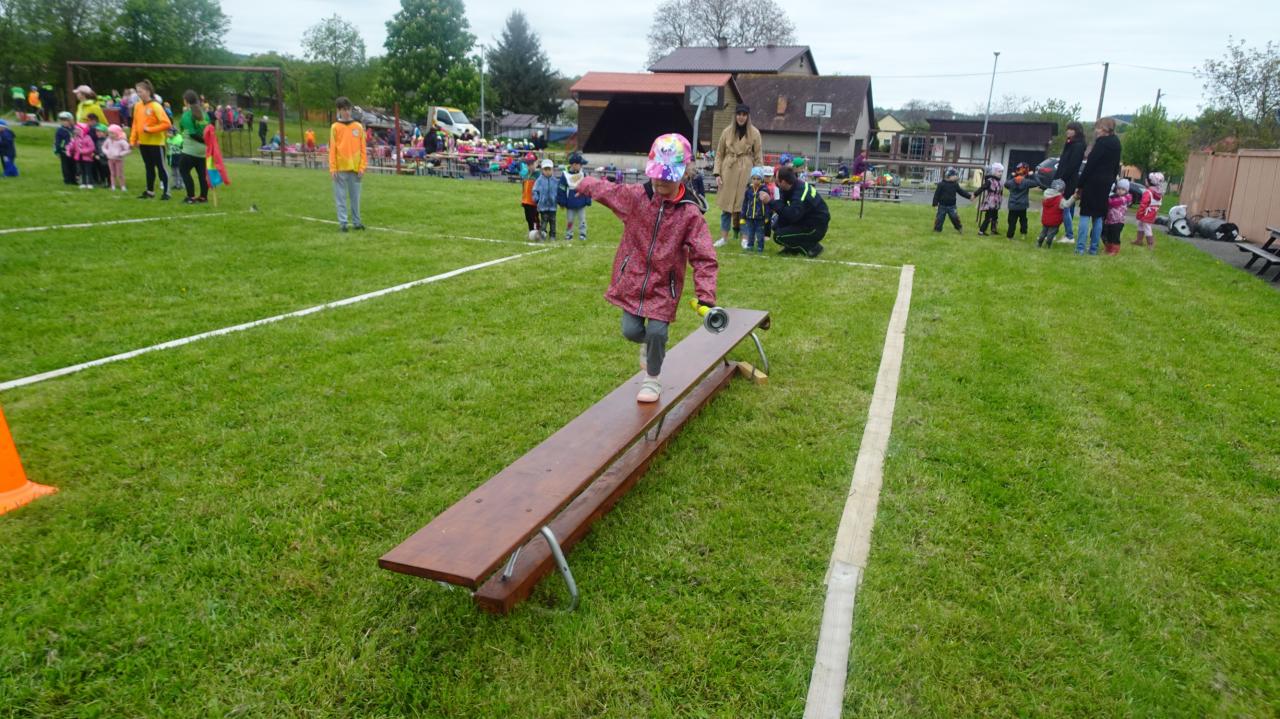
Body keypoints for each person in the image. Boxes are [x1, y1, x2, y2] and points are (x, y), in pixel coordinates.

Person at [572, 133, 718, 403]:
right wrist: (585, 183)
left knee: (657, 332)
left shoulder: (689, 214)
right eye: (657, 175)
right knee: (631, 331)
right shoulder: (637, 197)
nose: (660, 181)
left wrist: (706, 294)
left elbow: (704, 256)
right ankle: (649, 347)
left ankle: (652, 379)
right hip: (633, 279)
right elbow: (609, 192)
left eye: (667, 177)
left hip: (664, 286)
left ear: (684, 174)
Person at [712, 103, 763, 247]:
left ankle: (745, 238)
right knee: (726, 207)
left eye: (744, 114)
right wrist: (717, 173)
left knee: (744, 207)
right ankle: (724, 237)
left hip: (746, 170)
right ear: (735, 116)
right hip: (728, 170)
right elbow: (719, 154)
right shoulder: (726, 132)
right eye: (739, 114)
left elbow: (758, 156)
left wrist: (758, 177)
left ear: (748, 116)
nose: (741, 117)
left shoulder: (755, 133)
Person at [1074, 117, 1122, 255]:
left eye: (1098, 128)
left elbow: (1090, 165)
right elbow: (1116, 166)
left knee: (1085, 214)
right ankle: (1094, 249)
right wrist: (1111, 181)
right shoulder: (1117, 143)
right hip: (1106, 183)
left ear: (1104, 129)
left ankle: (1080, 248)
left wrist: (1080, 184)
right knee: (1099, 216)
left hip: (1093, 182)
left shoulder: (1101, 143)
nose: (1096, 131)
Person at [767, 165, 830, 257]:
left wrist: (770, 202)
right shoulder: (792, 185)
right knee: (777, 224)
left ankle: (812, 247)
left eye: (776, 179)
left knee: (778, 236)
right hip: (805, 219)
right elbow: (782, 204)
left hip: (815, 227)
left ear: (783, 182)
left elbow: (791, 215)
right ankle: (791, 247)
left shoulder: (800, 194)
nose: (775, 182)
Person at [327, 97, 367, 232]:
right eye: (344, 110)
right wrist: (333, 168)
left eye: (349, 109)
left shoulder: (358, 127)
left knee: (355, 198)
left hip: (355, 168)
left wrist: (362, 167)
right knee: (341, 198)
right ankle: (343, 223)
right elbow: (332, 149)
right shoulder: (335, 127)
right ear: (339, 110)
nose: (347, 112)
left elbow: (363, 149)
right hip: (340, 168)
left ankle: (357, 222)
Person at [129, 80, 172, 199]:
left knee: (161, 167)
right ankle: (150, 191)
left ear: (148, 91)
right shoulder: (137, 106)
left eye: (140, 91)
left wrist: (151, 129)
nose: (139, 94)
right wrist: (132, 140)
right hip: (144, 142)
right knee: (149, 167)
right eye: (137, 92)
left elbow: (166, 123)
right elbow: (135, 124)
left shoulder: (155, 106)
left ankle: (167, 192)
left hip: (156, 143)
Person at [1053, 121, 1087, 243]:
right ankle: (1055, 232)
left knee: (1064, 207)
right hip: (1064, 179)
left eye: (1071, 129)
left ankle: (1069, 235)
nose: (1068, 131)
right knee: (1066, 207)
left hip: (1067, 181)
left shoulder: (1078, 146)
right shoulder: (1070, 143)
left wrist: (1061, 178)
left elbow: (1072, 165)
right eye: (1068, 129)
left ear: (1077, 131)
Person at [177, 90, 210, 204]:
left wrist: (203, 141)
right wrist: (206, 142)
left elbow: (191, 134)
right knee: (202, 175)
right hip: (203, 150)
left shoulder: (187, 115)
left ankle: (190, 197)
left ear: (186, 101)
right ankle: (203, 197)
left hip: (190, 149)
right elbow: (209, 130)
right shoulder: (205, 114)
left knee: (184, 171)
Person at [558, 152, 591, 241]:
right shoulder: (565, 175)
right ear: (574, 165)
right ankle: (569, 234)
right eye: (581, 164)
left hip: (581, 201)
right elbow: (561, 189)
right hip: (570, 202)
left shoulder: (583, 174)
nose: (582, 166)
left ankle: (583, 234)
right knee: (570, 220)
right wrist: (562, 202)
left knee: (582, 219)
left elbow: (587, 187)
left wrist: (588, 199)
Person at [931, 167, 972, 234]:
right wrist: (935, 204)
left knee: (955, 218)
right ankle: (937, 230)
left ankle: (959, 228)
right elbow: (936, 195)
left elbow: (961, 192)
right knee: (939, 218)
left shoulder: (955, 184)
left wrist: (969, 196)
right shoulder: (941, 184)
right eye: (955, 175)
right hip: (942, 206)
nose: (956, 177)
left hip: (952, 206)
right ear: (948, 175)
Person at [1004, 162, 1037, 239]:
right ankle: (1023, 233)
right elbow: (1036, 183)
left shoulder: (1012, 181)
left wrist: (1011, 176)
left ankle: (1010, 236)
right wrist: (1032, 175)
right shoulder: (1026, 182)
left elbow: (1006, 184)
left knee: (1012, 221)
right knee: (1023, 220)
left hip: (1013, 205)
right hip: (1022, 205)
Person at [740, 167, 768, 253]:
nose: (756, 181)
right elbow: (745, 204)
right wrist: (742, 217)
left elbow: (767, 205)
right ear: (751, 179)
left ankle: (760, 247)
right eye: (754, 178)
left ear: (761, 179)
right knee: (750, 232)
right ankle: (750, 246)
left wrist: (767, 216)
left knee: (760, 233)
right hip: (749, 217)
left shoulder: (764, 190)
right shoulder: (748, 190)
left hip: (760, 217)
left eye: (758, 179)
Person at [1037, 179, 1071, 249]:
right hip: (1054, 221)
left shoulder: (1046, 196)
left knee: (1043, 232)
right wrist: (1074, 198)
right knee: (1051, 234)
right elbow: (1066, 205)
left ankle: (1039, 243)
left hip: (1045, 219)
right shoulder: (1060, 199)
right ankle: (1048, 245)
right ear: (1062, 190)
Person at [1134, 172, 1164, 248]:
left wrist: (1139, 214)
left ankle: (1150, 244)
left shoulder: (1148, 192)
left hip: (1146, 212)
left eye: (1146, 180)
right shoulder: (1159, 192)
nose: (1145, 181)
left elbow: (1143, 204)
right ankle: (1139, 240)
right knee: (1141, 224)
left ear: (1150, 182)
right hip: (1152, 212)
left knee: (1147, 227)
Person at [1102, 179, 1132, 255]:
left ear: (1126, 191)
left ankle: (1115, 250)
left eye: (1123, 189)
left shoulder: (1125, 198)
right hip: (1110, 220)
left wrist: (1108, 199)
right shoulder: (1114, 196)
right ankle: (1108, 248)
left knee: (1115, 236)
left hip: (1118, 221)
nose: (1120, 191)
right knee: (1109, 235)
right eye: (1118, 188)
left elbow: (1113, 203)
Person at [532, 159, 559, 241]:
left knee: (553, 222)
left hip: (553, 206)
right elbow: (535, 191)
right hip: (543, 206)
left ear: (552, 170)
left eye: (549, 169)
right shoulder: (539, 181)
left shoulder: (555, 181)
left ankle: (552, 235)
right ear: (542, 170)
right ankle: (542, 236)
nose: (547, 171)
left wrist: (558, 199)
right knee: (543, 222)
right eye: (545, 169)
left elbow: (559, 191)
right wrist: (536, 199)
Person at [975, 163, 1003, 236]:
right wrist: (975, 194)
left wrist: (1000, 200)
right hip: (991, 202)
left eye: (1001, 172)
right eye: (999, 171)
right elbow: (982, 188)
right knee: (988, 217)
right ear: (994, 171)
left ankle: (993, 230)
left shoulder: (1000, 181)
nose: (1001, 173)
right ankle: (981, 231)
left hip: (996, 202)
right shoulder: (990, 181)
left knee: (995, 217)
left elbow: (1000, 191)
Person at [102, 124, 131, 192]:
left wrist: (120, 154)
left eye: (112, 133)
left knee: (120, 174)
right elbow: (104, 147)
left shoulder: (122, 141)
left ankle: (122, 186)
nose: (110, 135)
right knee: (112, 173)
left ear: (117, 133)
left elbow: (128, 149)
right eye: (109, 133)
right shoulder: (108, 140)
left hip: (118, 160)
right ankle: (113, 186)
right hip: (110, 159)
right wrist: (107, 152)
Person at [68, 122, 98, 188]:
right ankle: (83, 183)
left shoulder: (88, 138)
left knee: (88, 171)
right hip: (79, 158)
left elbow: (92, 148)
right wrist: (69, 150)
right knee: (82, 171)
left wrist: (83, 151)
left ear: (82, 130)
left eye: (77, 130)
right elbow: (72, 145)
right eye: (75, 129)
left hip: (87, 158)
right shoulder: (76, 138)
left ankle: (90, 183)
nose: (75, 131)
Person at [53, 112, 77, 184]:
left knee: (74, 165)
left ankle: (74, 179)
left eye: (66, 120)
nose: (64, 122)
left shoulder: (74, 129)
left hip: (74, 150)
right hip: (64, 150)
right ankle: (67, 179)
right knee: (65, 166)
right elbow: (57, 141)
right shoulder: (60, 130)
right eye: (62, 120)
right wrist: (57, 151)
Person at [519, 152, 538, 237]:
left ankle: (536, 232)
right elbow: (523, 188)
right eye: (528, 164)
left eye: (532, 164)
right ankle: (531, 232)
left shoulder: (538, 175)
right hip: (526, 201)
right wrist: (523, 198)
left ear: (536, 162)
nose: (530, 166)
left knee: (535, 218)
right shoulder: (526, 175)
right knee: (528, 218)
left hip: (534, 201)